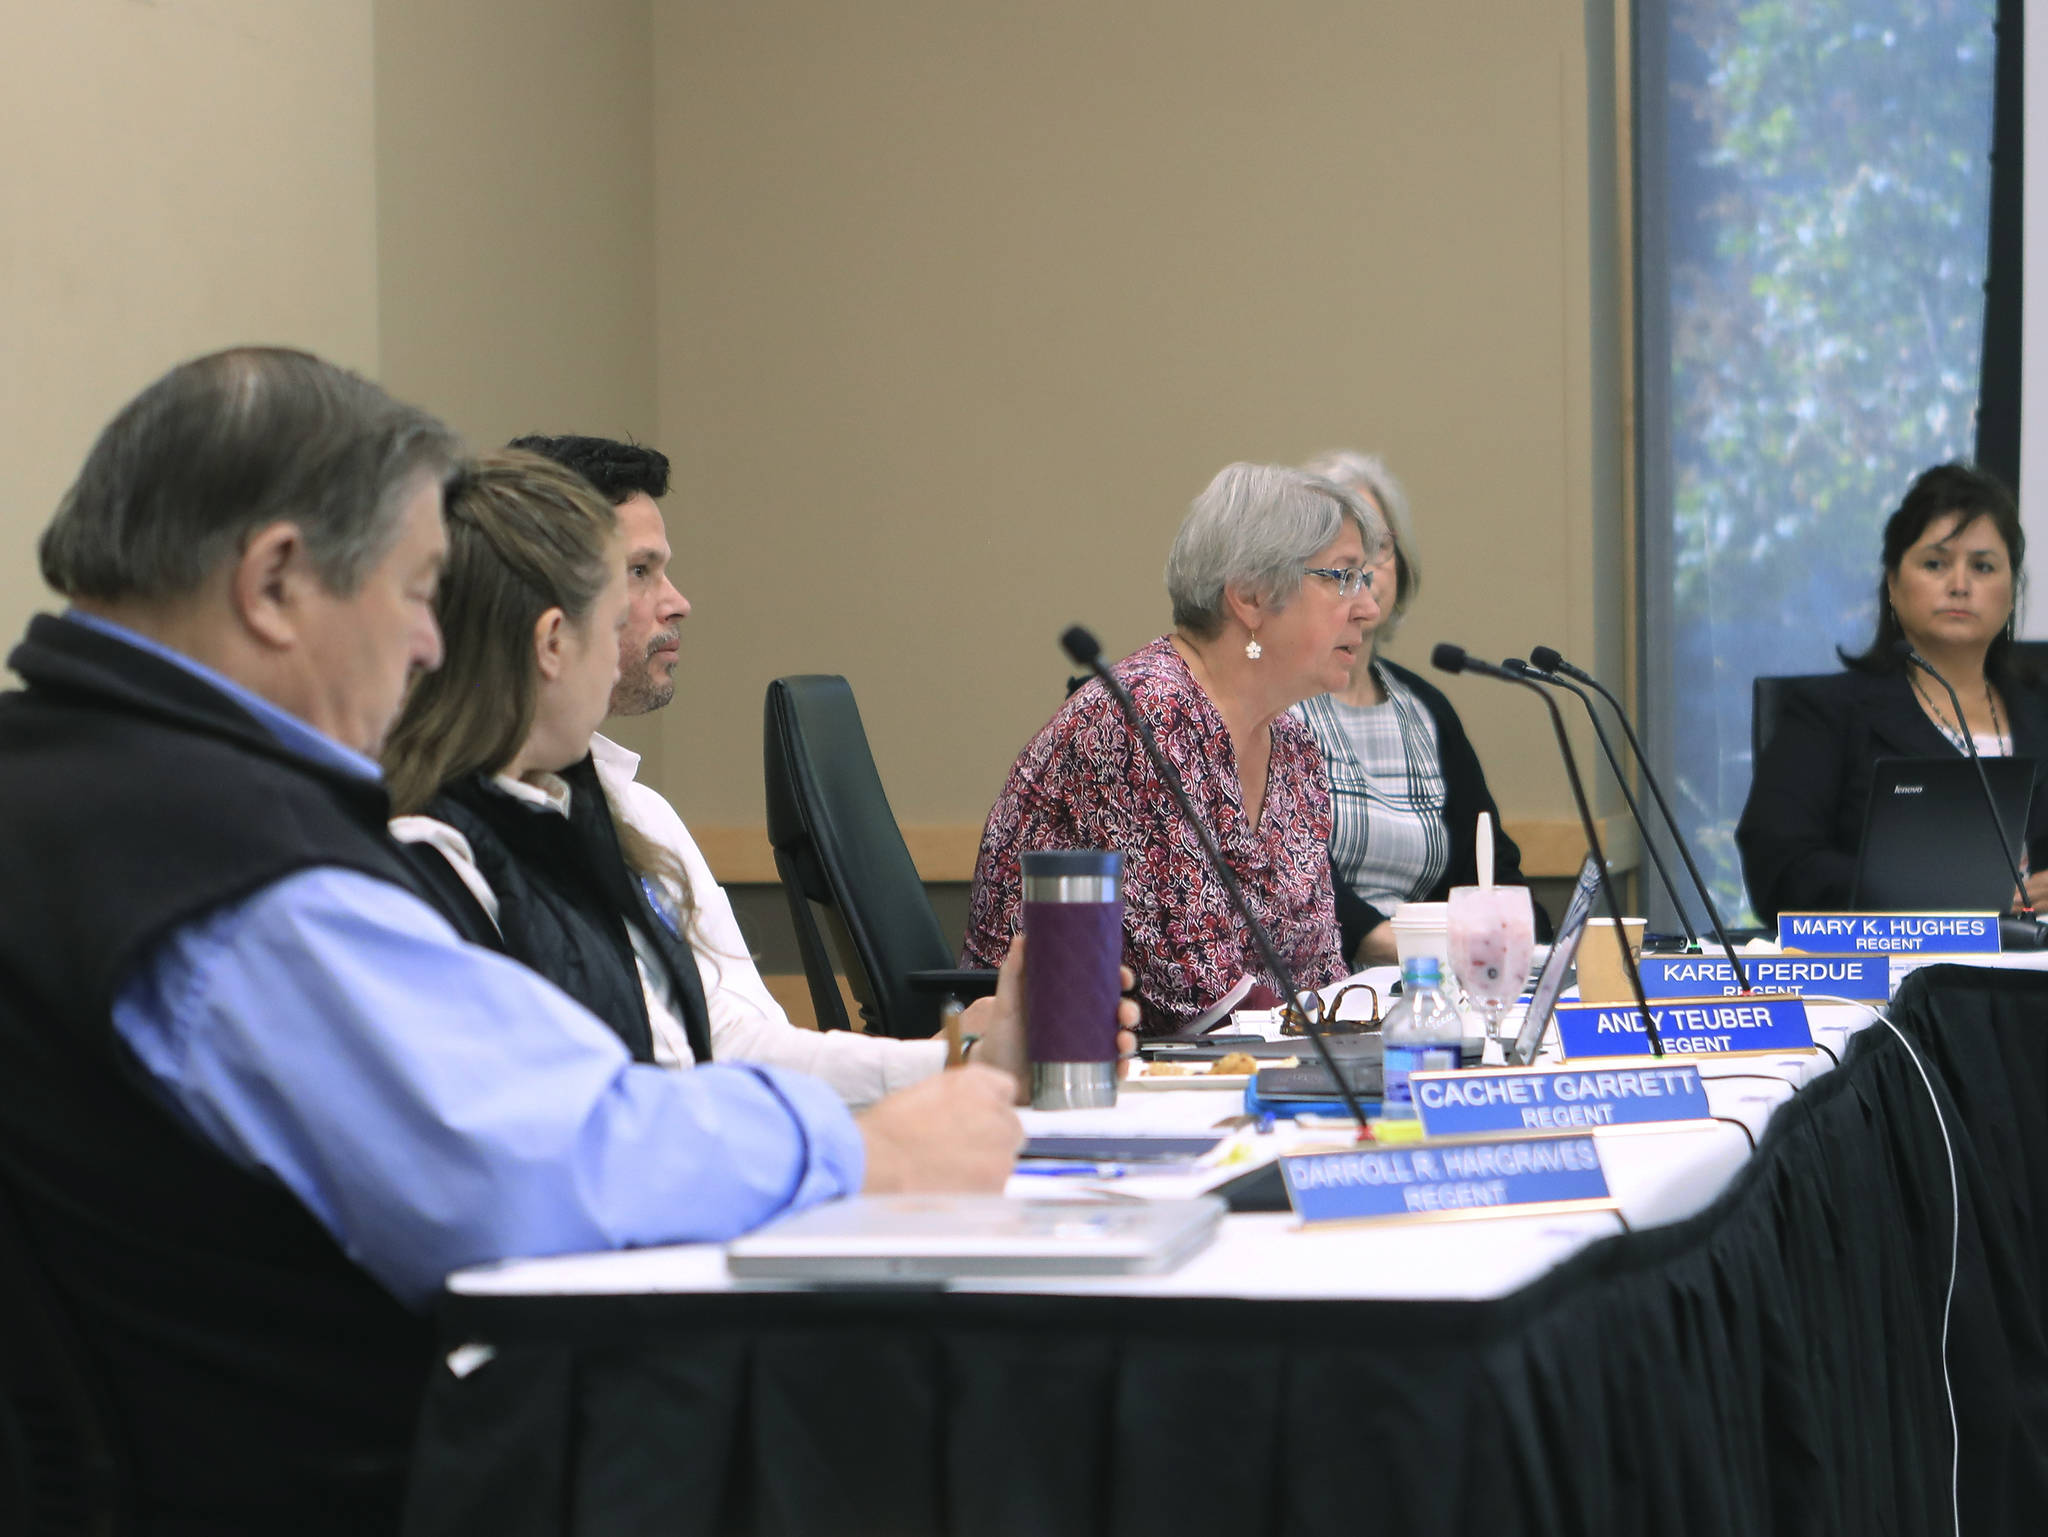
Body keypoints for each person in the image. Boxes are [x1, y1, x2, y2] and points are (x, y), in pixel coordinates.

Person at [0, 349, 1022, 1534]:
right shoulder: (228, 867)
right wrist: (871, 1150)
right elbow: (548, 1160)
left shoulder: (61, 789)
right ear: (278, 582)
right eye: (413, 590)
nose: (433, 645)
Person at [384, 445, 1130, 1099]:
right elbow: (628, 1117)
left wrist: (961, 1059)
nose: (670, 606)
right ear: (552, 637)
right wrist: (867, 1142)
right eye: (631, 586)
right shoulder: (438, 861)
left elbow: (725, 1046)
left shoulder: (624, 815)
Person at [962, 462, 1378, 1034]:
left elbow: (1318, 976)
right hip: (1069, 1078)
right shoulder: (1146, 715)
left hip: (1235, 1076)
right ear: (1252, 595)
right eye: (1342, 577)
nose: (1368, 608)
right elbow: (1195, 996)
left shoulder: (1293, 742)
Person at [1737, 462, 2048, 922]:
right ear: (1894, 585)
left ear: (2011, 592)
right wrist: (1940, 889)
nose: (1960, 585)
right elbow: (1780, 870)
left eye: (1983, 567)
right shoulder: (1828, 715)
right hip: (1890, 979)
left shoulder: (2042, 715)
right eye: (1935, 564)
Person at [1289, 450, 1547, 965]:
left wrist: (1524, 934)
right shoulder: (1279, 708)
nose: (1364, 573)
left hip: (1429, 984)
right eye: (1343, 558)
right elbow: (1293, 884)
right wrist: (1424, 947)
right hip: (1324, 988)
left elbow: (1490, 866)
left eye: (1377, 547)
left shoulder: (1425, 709)